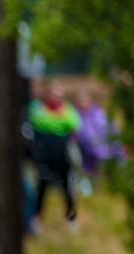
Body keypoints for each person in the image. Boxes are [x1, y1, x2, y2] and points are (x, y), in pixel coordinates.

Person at [28, 80, 81, 227]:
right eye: (53, 92)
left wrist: (52, 122)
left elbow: (74, 123)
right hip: (44, 155)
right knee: (42, 187)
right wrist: (59, 122)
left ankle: (71, 219)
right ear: (47, 94)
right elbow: (39, 121)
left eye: (59, 92)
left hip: (63, 155)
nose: (56, 95)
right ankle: (36, 219)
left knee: (67, 188)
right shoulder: (37, 108)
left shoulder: (68, 109)